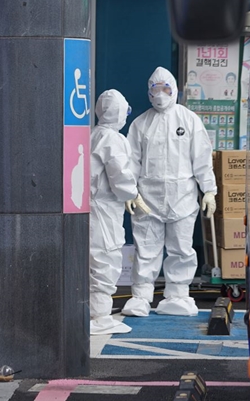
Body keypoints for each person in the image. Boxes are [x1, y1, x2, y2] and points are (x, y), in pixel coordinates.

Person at [122, 67, 217, 317]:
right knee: (146, 248)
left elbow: (202, 159)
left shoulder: (189, 120)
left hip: (182, 198)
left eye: (166, 88)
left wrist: (209, 190)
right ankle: (141, 296)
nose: (161, 93)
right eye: (156, 88)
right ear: (149, 92)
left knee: (182, 248)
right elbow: (131, 161)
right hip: (147, 200)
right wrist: (130, 192)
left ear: (174, 89)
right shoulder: (140, 124)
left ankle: (178, 294)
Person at [90, 89, 150, 335]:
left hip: (91, 207)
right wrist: (133, 194)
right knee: (106, 258)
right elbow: (120, 175)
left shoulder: (92, 134)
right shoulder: (112, 139)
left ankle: (93, 312)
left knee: (92, 261)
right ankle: (100, 316)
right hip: (104, 209)